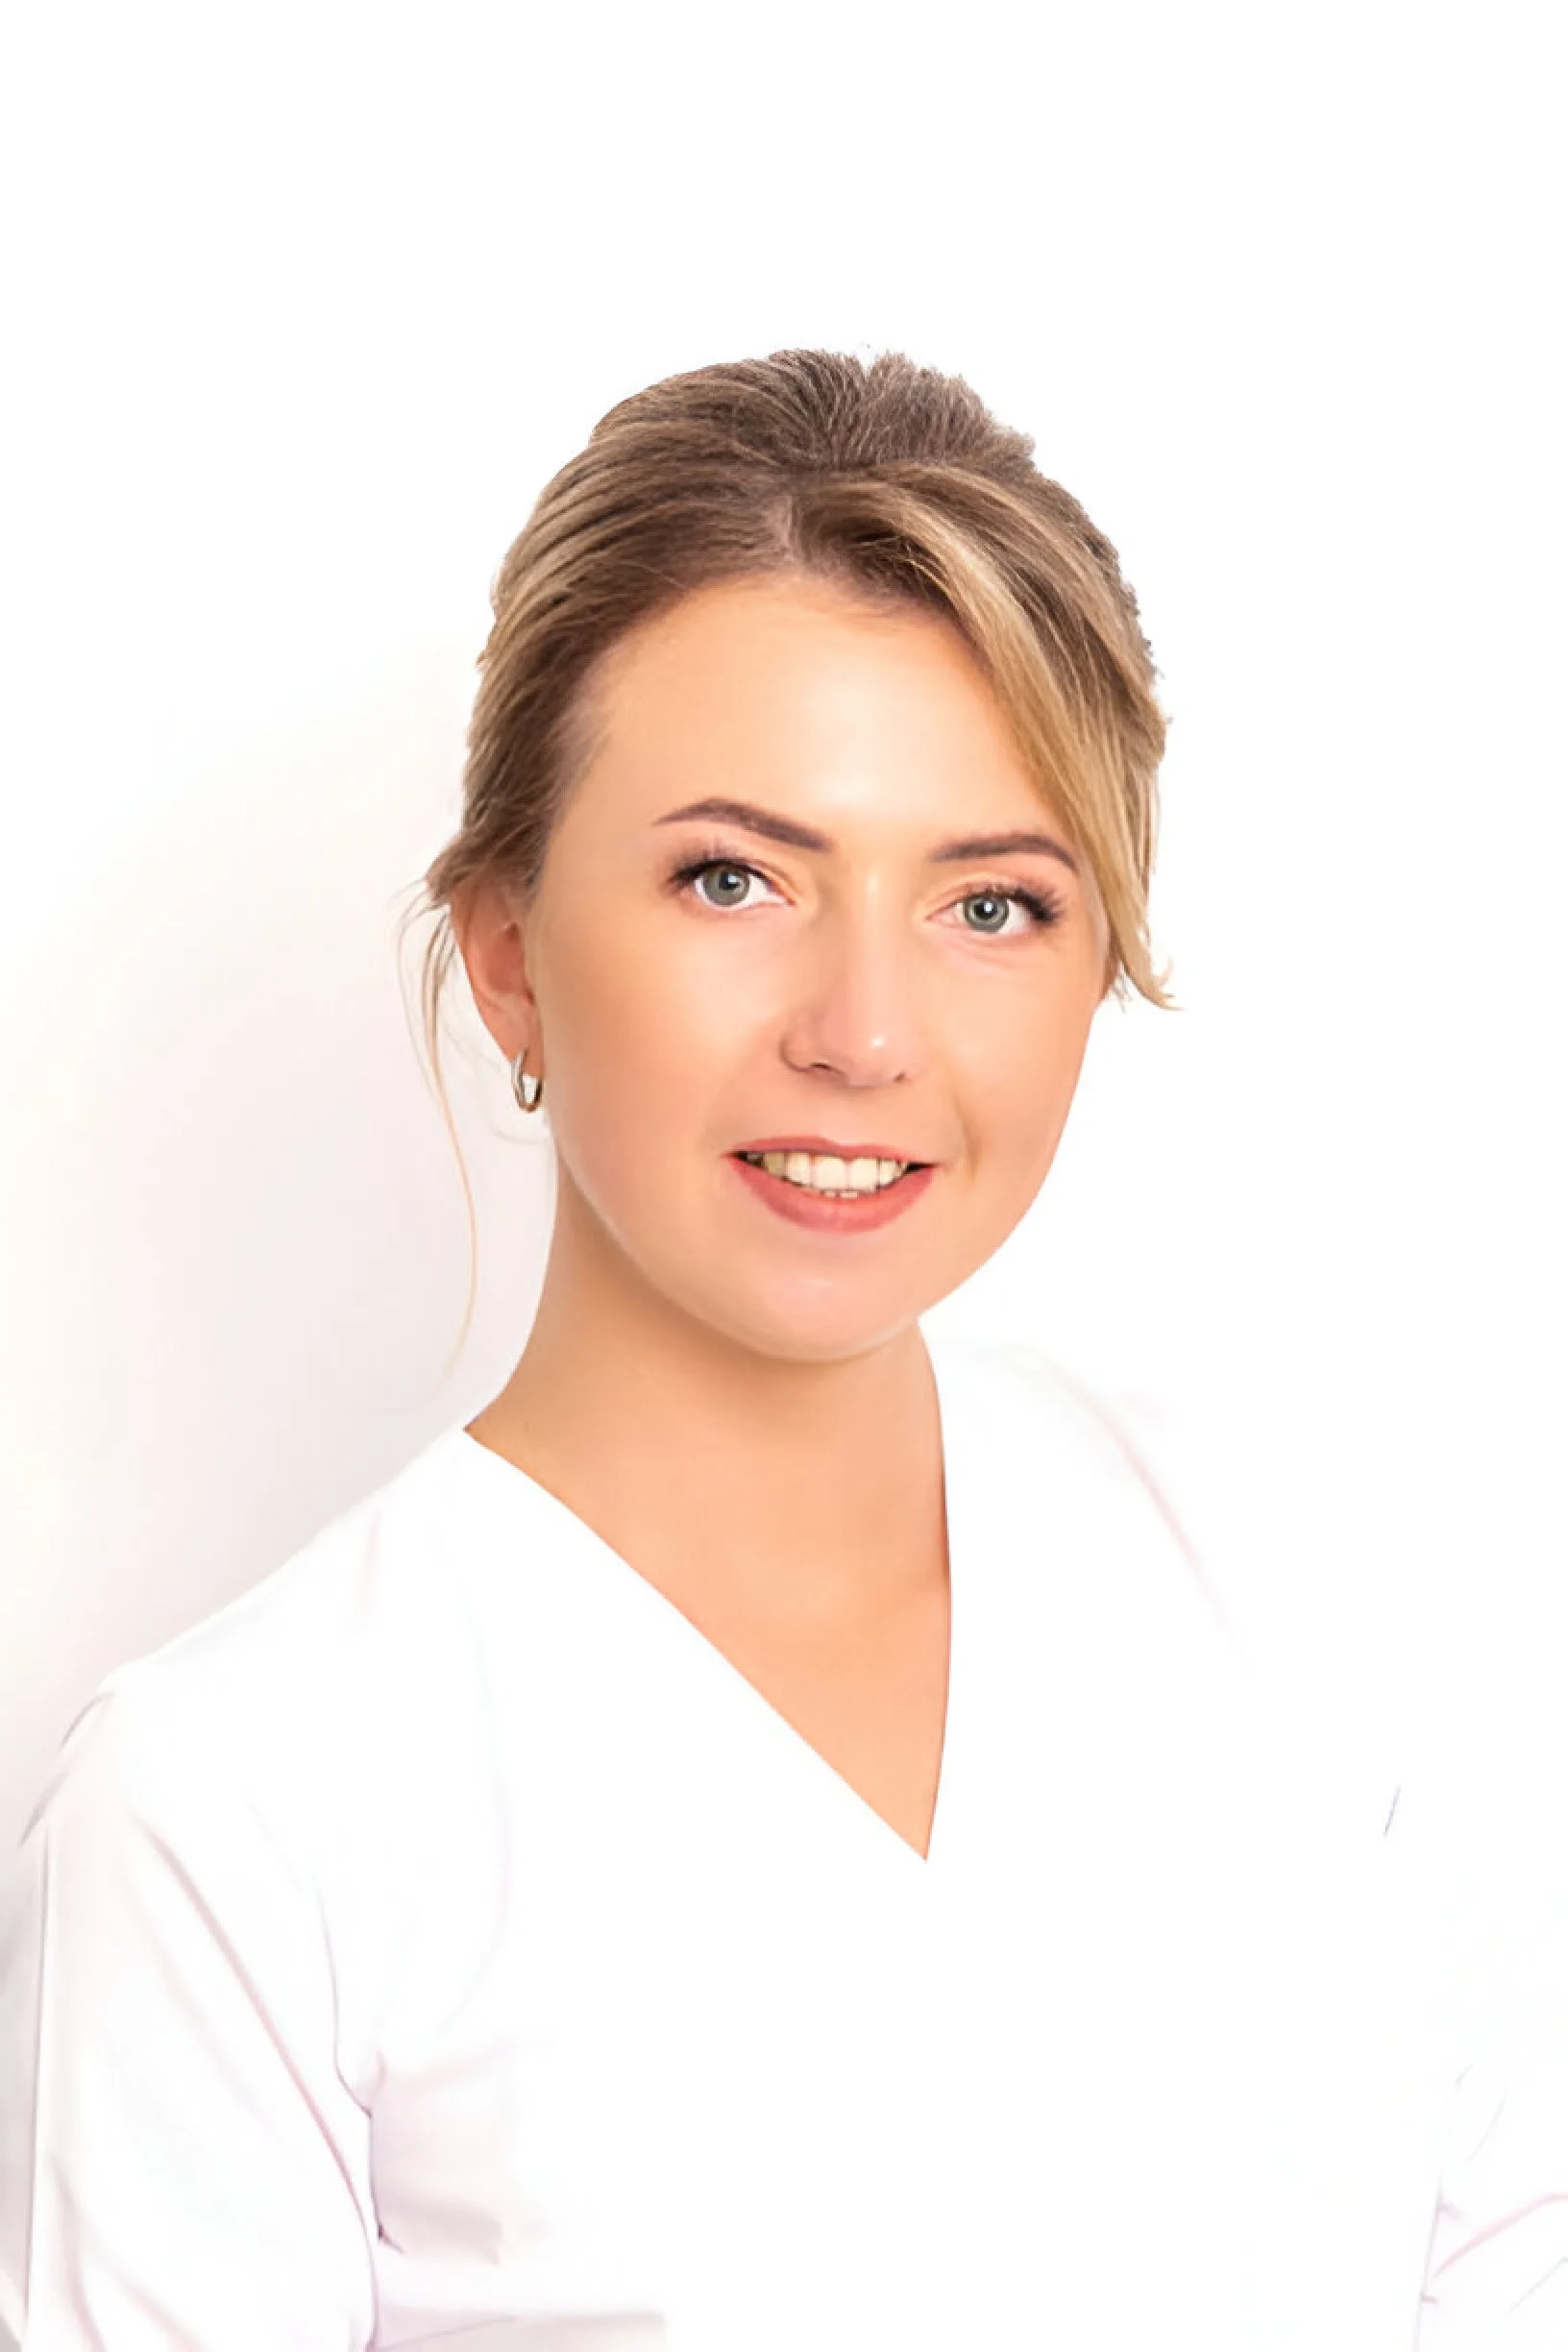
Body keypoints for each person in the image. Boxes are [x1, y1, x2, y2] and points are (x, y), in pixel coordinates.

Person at [0, 349, 1561, 2350]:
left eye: (992, 904)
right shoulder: (234, 1815)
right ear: (508, 952)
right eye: (733, 878)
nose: (865, 1030)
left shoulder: (1309, 1587)